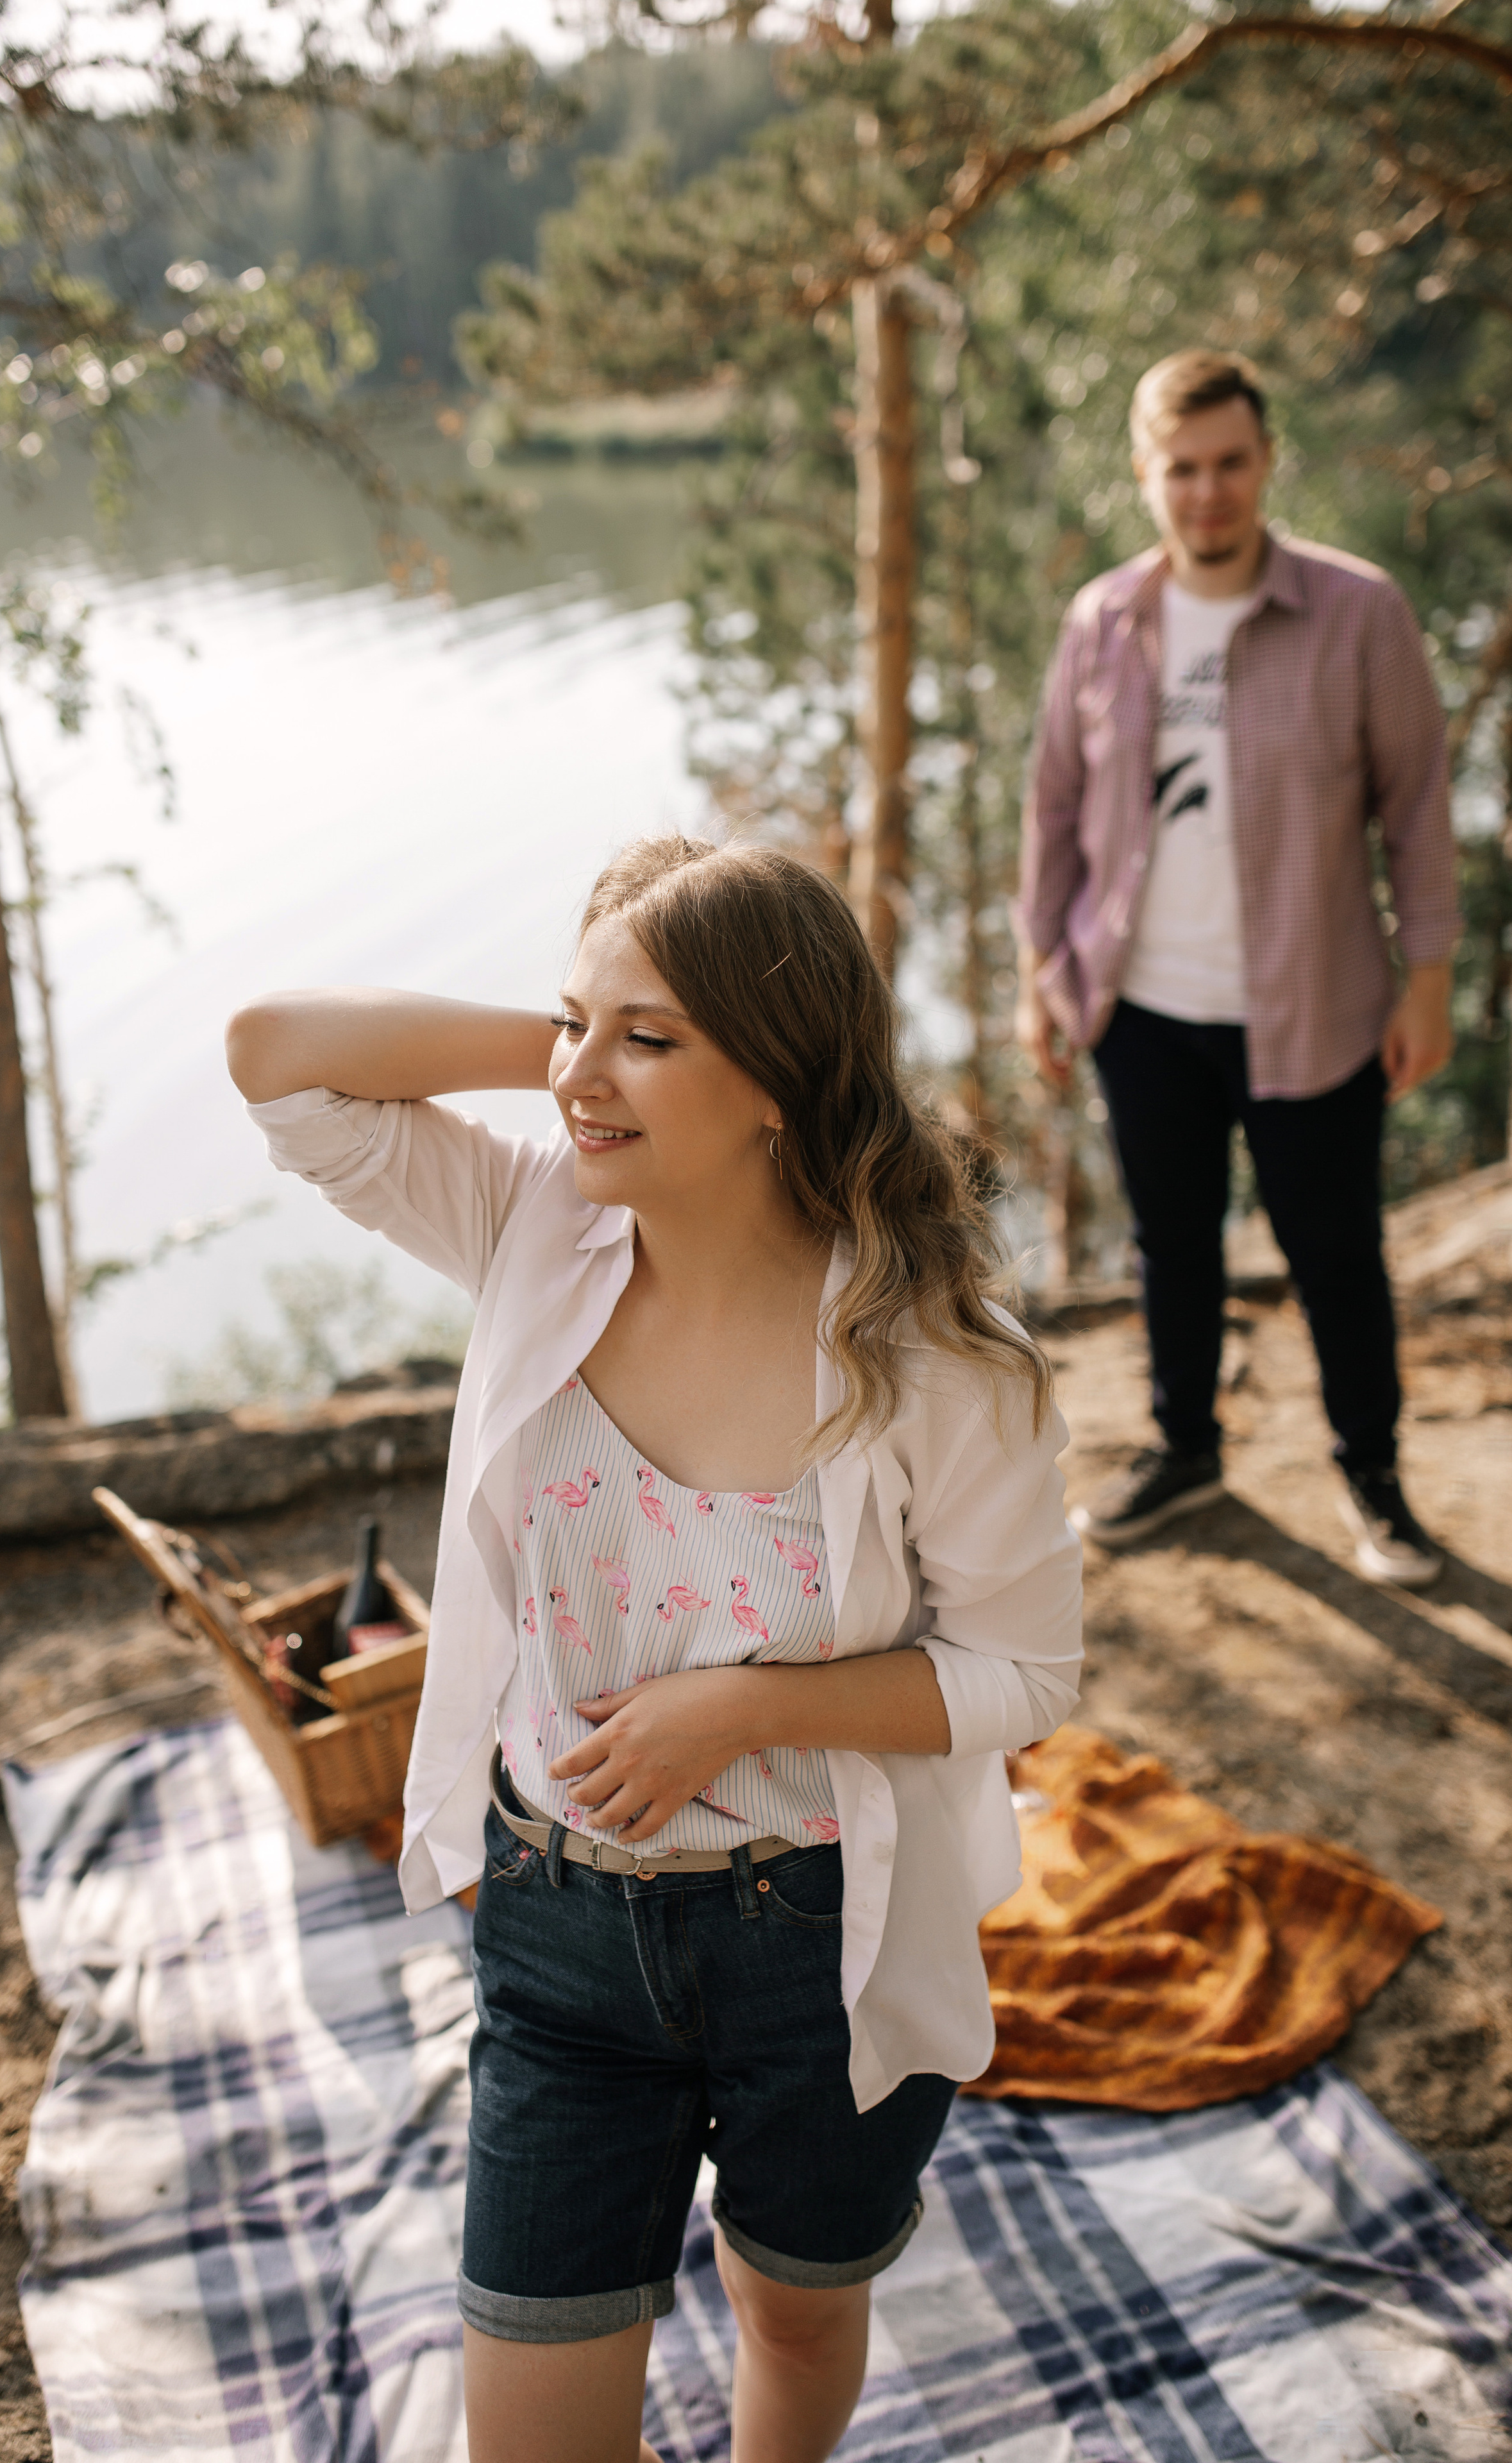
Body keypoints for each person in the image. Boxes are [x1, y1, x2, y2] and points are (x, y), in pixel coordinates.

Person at [226, 836, 1082, 2463]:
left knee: (794, 2311)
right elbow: (275, 1055)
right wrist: (591, 1052)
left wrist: (741, 1710)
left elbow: (1025, 1676)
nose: (577, 1075)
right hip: (557, 1929)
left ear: (774, 1081)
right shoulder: (529, 1222)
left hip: (817, 1940)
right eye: (575, 1022)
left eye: (649, 1037)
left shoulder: (935, 1355)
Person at [1017, 348, 1459, 1587]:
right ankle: (1186, 1450)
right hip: (1142, 1006)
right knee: (1173, 1245)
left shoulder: (1358, 611)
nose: (1207, 492)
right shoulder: (1103, 620)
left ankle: (1375, 1481)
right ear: (1146, 474)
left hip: (1313, 1003)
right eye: (1182, 469)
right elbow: (1053, 806)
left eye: (1228, 464)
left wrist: (1429, 978)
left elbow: (1419, 806)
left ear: (1266, 461)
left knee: (1337, 1256)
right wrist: (1039, 966)